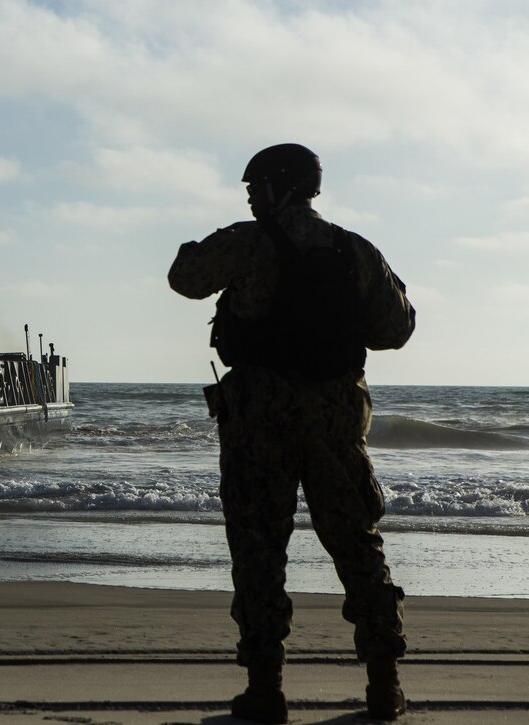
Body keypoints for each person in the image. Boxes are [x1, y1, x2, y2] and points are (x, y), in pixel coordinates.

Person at [168, 143, 415, 723]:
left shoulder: (250, 241)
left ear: (281, 187)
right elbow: (396, 329)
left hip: (261, 423)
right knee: (358, 548)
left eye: (256, 187)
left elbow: (186, 279)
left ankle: (265, 690)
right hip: (335, 422)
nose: (251, 197)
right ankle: (384, 685)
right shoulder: (354, 250)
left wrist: (190, 249)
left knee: (258, 552)